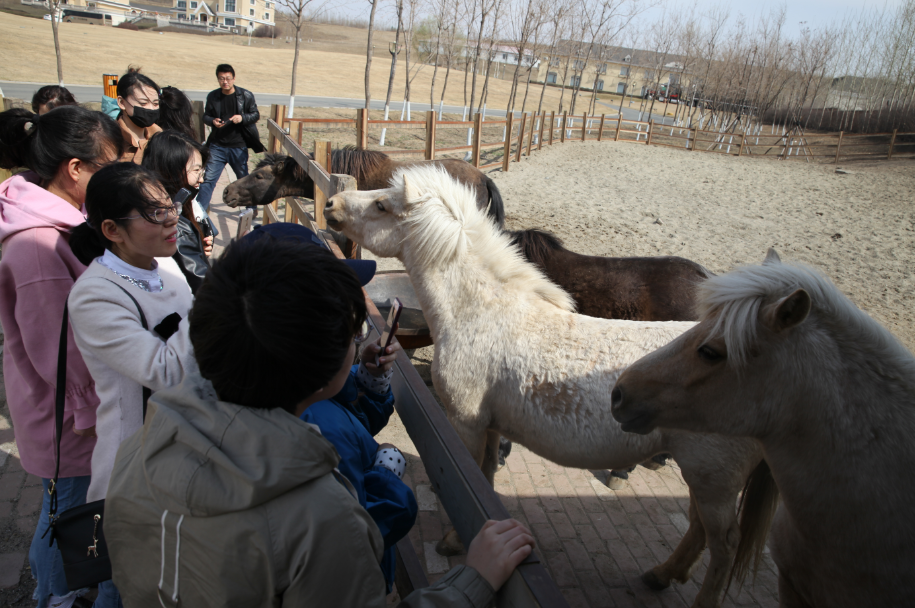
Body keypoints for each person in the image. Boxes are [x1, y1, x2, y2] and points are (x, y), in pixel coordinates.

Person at [102, 229, 536, 607]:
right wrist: (472, 582)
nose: (357, 339)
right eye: (351, 331)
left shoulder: (139, 449)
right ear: (324, 368)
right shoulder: (322, 518)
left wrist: (368, 381)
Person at [0, 106, 123, 608]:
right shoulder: (38, 244)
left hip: (73, 409)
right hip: (70, 418)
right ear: (75, 169)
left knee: (71, 509)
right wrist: (89, 413)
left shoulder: (60, 222)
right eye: (107, 167)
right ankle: (54, 596)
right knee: (68, 515)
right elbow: (57, 347)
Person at [67, 163, 198, 605]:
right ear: (112, 230)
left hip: (181, 448)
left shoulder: (167, 266)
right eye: (155, 214)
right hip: (135, 465)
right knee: (127, 586)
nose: (172, 219)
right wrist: (214, 304)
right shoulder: (95, 295)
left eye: (170, 206)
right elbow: (166, 371)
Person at [141, 130, 214, 293]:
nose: (201, 179)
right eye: (196, 171)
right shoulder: (175, 226)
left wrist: (197, 248)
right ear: (172, 171)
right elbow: (205, 289)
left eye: (202, 171)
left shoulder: (147, 208)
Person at [197, 63, 265, 212]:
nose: (225, 82)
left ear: (234, 78)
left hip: (238, 146)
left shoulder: (245, 95)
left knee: (244, 180)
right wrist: (212, 121)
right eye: (221, 78)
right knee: (208, 180)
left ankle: (251, 208)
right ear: (218, 79)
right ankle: (199, 212)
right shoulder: (213, 96)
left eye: (228, 78)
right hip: (217, 146)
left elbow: (255, 115)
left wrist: (242, 118)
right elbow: (206, 116)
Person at [114, 67, 163, 164]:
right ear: (121, 102)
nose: (151, 108)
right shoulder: (110, 138)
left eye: (155, 103)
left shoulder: (160, 137)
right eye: (143, 103)